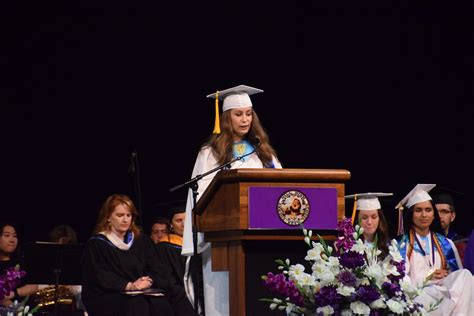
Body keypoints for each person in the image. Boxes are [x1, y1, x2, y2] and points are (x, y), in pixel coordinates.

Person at [182, 84, 282, 316]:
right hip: (223, 241)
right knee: (224, 303)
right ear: (226, 118)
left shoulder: (264, 154)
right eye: (238, 114)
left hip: (261, 238)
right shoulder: (211, 153)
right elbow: (202, 196)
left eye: (249, 113)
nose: (245, 119)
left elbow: (280, 189)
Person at [81, 194, 174, 316]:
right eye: (120, 215)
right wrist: (129, 286)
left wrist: (149, 281)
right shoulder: (98, 243)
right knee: (137, 305)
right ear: (108, 217)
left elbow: (155, 267)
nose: (125, 220)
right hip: (107, 295)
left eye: (128, 215)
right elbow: (100, 275)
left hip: (139, 292)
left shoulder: (141, 241)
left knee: (162, 303)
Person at [396, 184, 474, 315]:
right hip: (417, 297)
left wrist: (445, 277)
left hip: (442, 295)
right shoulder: (402, 245)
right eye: (418, 210)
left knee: (466, 275)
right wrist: (428, 278)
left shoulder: (446, 244)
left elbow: (459, 280)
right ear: (411, 214)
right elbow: (400, 284)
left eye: (428, 210)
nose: (424, 215)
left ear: (433, 215)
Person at [155, 203, 194, 315]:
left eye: (187, 219)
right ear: (171, 225)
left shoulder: (200, 244)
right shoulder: (165, 246)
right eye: (179, 220)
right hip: (178, 297)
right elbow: (167, 278)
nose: (184, 224)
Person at [0, 222, 38, 307]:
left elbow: (34, 286)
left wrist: (14, 293)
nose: (12, 240)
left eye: (15, 236)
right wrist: (14, 309)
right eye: (7, 235)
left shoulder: (23, 261)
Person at [345, 192, 392, 258]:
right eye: (364, 218)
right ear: (357, 219)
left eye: (374, 217)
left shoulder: (389, 247)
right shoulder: (350, 246)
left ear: (380, 218)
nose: (369, 222)